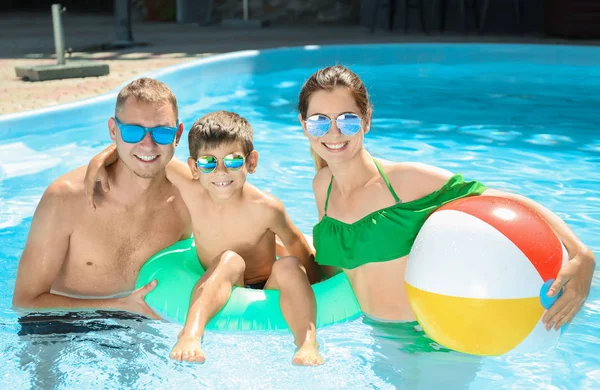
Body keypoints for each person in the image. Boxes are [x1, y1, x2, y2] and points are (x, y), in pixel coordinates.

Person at [298, 65, 596, 330]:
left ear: (366, 120)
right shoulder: (322, 187)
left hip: (429, 343)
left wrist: (582, 255)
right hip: (368, 337)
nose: (334, 133)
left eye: (347, 120)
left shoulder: (404, 182)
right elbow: (337, 270)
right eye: (319, 122)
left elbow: (504, 202)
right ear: (304, 125)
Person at [86, 111, 324, 366]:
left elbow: (297, 244)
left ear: (251, 162)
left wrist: (321, 287)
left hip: (269, 287)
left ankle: (306, 343)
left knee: (289, 265)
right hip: (219, 278)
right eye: (208, 162)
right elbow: (147, 154)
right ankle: (190, 335)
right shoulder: (190, 186)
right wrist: (99, 160)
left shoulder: (266, 207)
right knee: (229, 259)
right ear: (193, 167)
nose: (220, 172)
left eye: (233, 161)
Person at [12, 78, 192, 318]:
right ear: (113, 131)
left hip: (139, 321)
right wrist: (119, 305)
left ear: (177, 134)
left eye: (162, 132)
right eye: (132, 131)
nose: (147, 144)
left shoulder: (188, 199)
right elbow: (25, 301)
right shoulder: (66, 198)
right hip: (59, 324)